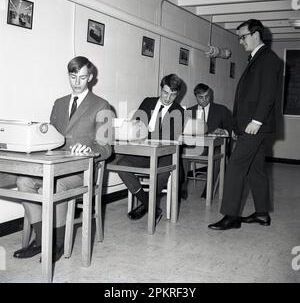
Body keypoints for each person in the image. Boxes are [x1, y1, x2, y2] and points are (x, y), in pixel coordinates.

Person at [13, 56, 112, 261]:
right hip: (55, 166)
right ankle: (42, 240)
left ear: (90, 77)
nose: (76, 82)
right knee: (22, 181)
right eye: (73, 76)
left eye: (82, 77)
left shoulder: (102, 105)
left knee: (56, 186)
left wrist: (89, 148)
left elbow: (107, 148)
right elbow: (50, 138)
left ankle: (56, 243)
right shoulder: (59, 103)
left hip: (81, 171)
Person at [208, 19, 281, 230]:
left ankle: (231, 217)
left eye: (243, 36)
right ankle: (261, 213)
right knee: (255, 169)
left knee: (235, 167)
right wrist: (237, 126)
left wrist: (256, 121)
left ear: (256, 35)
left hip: (256, 125)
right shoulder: (257, 59)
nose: (240, 41)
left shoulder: (268, 59)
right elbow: (247, 96)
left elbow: (268, 93)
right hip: (250, 125)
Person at [117, 74, 186, 223]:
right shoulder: (148, 102)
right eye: (165, 93)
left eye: (173, 95)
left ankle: (145, 205)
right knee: (122, 166)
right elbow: (135, 124)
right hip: (144, 153)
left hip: (165, 154)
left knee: (161, 173)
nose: (168, 98)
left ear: (177, 94)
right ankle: (150, 205)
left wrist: (146, 133)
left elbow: (169, 138)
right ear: (161, 89)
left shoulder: (179, 111)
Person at [181, 83, 233, 199]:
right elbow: (182, 131)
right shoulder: (189, 111)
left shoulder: (221, 110)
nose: (205, 100)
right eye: (201, 97)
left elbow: (231, 128)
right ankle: (182, 187)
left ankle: (208, 189)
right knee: (181, 152)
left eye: (207, 96)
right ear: (196, 97)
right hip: (195, 147)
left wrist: (224, 131)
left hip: (214, 147)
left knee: (217, 154)